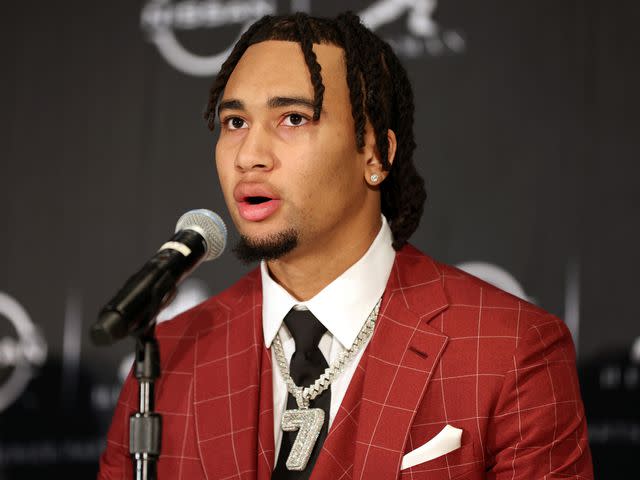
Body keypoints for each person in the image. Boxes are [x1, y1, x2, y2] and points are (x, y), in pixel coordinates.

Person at [98, 12, 593, 480]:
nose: (249, 155)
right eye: (235, 122)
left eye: (293, 118)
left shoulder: (512, 349)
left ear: (376, 153)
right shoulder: (164, 361)